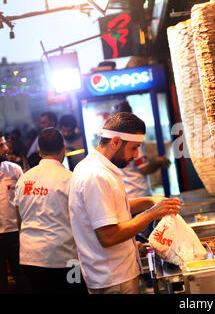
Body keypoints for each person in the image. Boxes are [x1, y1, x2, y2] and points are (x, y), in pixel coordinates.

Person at [68, 112, 181, 294]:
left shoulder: (96, 168)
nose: (136, 155)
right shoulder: (96, 175)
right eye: (134, 148)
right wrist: (152, 213)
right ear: (115, 142)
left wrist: (150, 201)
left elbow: (114, 207)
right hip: (113, 278)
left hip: (116, 272)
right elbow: (108, 237)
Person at [14, 128, 87, 294]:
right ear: (63, 148)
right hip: (68, 260)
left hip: (29, 259)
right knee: (75, 291)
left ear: (39, 151)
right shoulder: (70, 179)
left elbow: (19, 219)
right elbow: (81, 221)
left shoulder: (24, 179)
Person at [112, 101, 171, 241]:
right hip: (137, 197)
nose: (134, 154)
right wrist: (159, 162)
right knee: (145, 243)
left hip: (129, 200)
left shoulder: (122, 143)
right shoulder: (133, 139)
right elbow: (144, 168)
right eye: (134, 149)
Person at [0, 133, 29, 293]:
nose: (5, 148)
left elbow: (26, 200)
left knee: (23, 278)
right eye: (0, 145)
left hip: (15, 233)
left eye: (4, 144)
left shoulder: (14, 169)